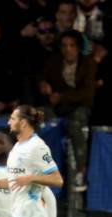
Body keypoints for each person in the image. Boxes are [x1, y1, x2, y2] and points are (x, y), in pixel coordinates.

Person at [38, 30, 97, 191]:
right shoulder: (54, 62)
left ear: (78, 48)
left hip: (80, 107)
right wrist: (43, 84)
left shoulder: (88, 64)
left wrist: (62, 97)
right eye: (64, 46)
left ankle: (80, 172)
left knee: (77, 125)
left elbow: (88, 94)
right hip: (58, 107)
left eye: (72, 46)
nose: (68, 49)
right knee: (35, 118)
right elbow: (41, 77)